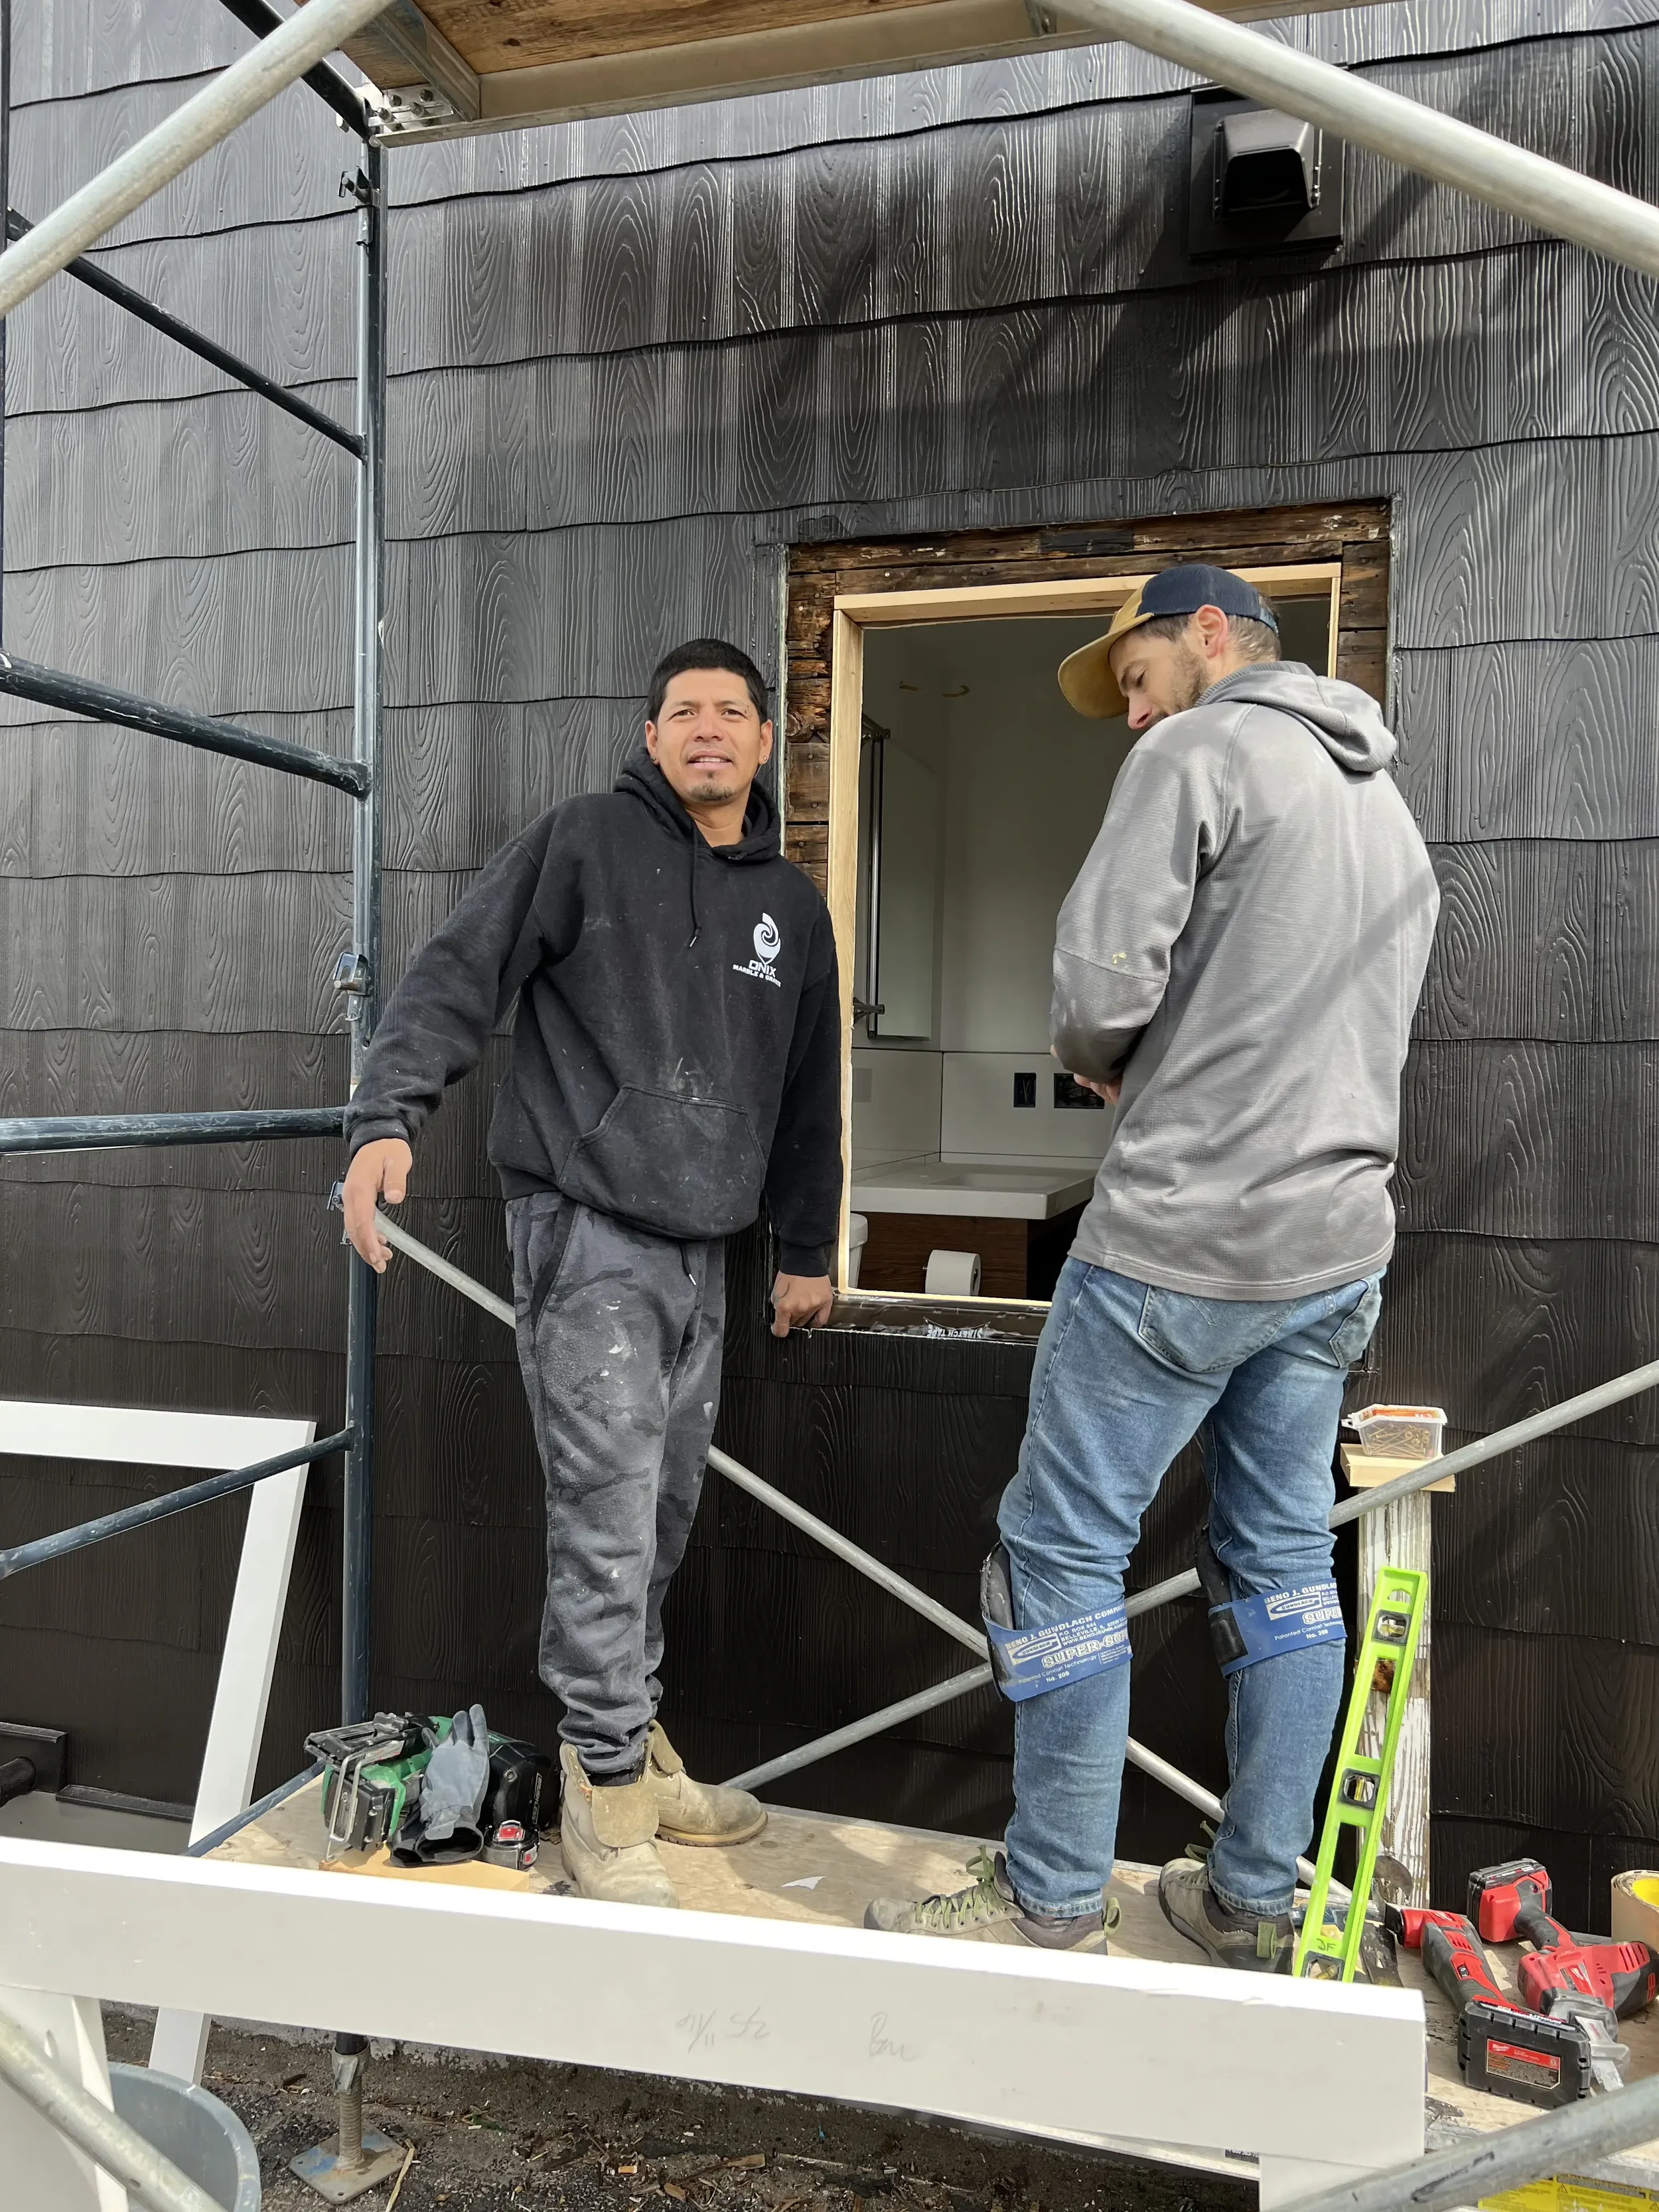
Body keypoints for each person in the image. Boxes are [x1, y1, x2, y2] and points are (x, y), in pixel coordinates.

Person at [865, 563, 1440, 1965]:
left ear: (1203, 638)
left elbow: (1095, 990)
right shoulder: (1383, 804)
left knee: (1058, 1558)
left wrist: (1104, 1060)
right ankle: (1254, 1893)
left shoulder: (1202, 746)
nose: (1131, 717)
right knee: (1284, 1562)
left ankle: (1050, 1892)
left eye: (1132, 679)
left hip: (1183, 1236)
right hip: (1330, 1250)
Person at [341, 639, 841, 1909]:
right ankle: (603, 1790)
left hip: (706, 1252)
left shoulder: (789, 902)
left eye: (734, 712)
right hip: (589, 1233)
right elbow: (459, 969)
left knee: (659, 1516)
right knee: (610, 1518)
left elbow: (807, 1092)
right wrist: (386, 1113)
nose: (711, 730)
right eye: (686, 713)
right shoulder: (581, 842)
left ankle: (626, 1741)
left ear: (767, 740)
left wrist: (803, 1246)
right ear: (653, 734)